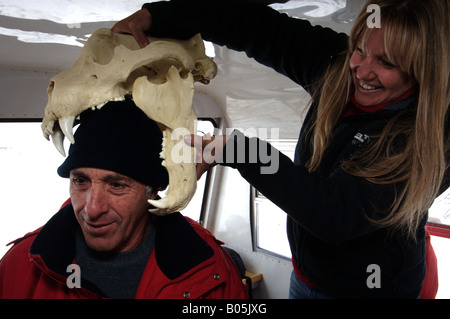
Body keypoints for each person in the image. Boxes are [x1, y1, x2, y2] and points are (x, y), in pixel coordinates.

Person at [111, 0, 449, 298]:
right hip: (306, 278)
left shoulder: (431, 141)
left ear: (422, 70)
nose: (361, 69)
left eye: (386, 63)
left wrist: (241, 151)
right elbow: (259, 28)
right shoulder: (339, 66)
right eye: (359, 48)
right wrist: (161, 15)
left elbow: (334, 214)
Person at [0, 99, 248, 299]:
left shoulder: (207, 267)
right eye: (80, 181)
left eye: (117, 185)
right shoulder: (22, 264)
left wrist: (247, 151)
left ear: (152, 191)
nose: (92, 209)